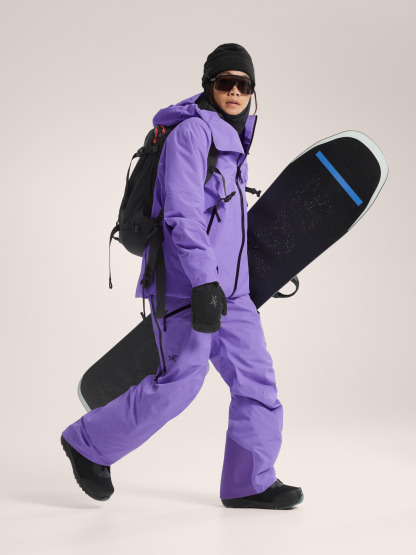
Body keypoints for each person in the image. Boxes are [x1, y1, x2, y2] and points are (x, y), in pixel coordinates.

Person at [61, 43, 304, 510]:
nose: (235, 91)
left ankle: (249, 482)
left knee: (257, 381)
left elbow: (226, 222)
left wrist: (241, 278)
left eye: (244, 84)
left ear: (253, 92)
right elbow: (182, 215)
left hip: (233, 292)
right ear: (209, 86)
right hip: (188, 287)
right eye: (225, 82)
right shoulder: (191, 134)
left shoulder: (235, 142)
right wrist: (204, 282)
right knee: (181, 382)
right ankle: (87, 444)